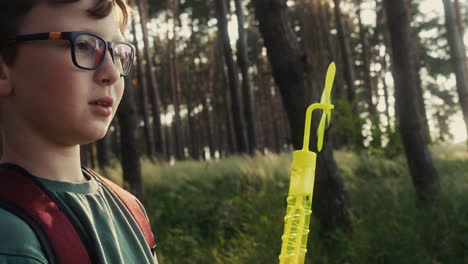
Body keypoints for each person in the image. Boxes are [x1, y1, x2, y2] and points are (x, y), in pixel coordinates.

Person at [0, 0, 158, 263]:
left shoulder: (131, 210)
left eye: (117, 52)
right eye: (84, 45)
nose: (111, 73)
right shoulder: (11, 236)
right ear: (3, 71)